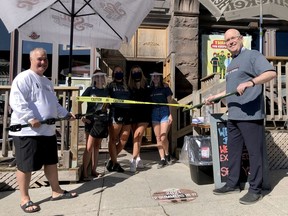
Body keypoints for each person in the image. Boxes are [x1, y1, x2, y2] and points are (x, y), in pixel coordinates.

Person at [205, 29, 276, 205]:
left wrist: (251, 82)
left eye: (233, 38)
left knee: (254, 154)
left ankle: (255, 190)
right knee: (233, 152)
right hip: (234, 114)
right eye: (227, 40)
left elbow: (271, 72)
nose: (230, 42)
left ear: (240, 39)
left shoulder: (253, 55)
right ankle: (232, 184)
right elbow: (232, 89)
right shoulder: (231, 64)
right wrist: (216, 96)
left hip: (250, 115)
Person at [9, 48, 78, 213]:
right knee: (25, 166)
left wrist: (66, 114)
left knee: (51, 162)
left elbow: (54, 104)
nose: (43, 62)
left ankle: (56, 191)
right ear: (31, 60)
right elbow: (16, 100)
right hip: (28, 132)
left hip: (47, 131)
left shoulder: (46, 81)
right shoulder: (24, 78)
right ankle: (24, 199)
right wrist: (29, 118)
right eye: (39, 59)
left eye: (45, 59)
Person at [81, 69, 109, 181]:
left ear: (104, 78)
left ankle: (93, 170)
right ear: (94, 79)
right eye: (96, 77)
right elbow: (78, 101)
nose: (99, 79)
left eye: (101, 76)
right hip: (90, 121)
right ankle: (84, 173)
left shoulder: (107, 91)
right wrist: (82, 117)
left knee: (97, 146)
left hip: (101, 121)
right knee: (89, 147)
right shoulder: (89, 90)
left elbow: (108, 105)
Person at [106, 65, 131, 172]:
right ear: (113, 74)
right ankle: (115, 163)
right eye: (116, 71)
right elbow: (106, 100)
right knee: (113, 139)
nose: (119, 73)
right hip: (116, 114)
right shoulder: (110, 86)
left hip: (127, 114)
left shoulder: (127, 86)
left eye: (120, 71)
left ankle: (111, 160)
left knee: (124, 139)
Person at [127, 65, 151, 172]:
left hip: (144, 115)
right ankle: (139, 158)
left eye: (138, 71)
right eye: (134, 72)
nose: (136, 73)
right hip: (133, 114)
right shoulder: (129, 87)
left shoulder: (146, 85)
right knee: (136, 137)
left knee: (138, 134)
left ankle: (133, 159)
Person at [150, 72, 173, 168]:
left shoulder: (165, 87)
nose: (155, 78)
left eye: (157, 76)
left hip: (164, 112)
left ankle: (167, 153)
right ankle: (162, 159)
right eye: (153, 76)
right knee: (158, 138)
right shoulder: (149, 89)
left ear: (160, 77)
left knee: (163, 137)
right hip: (154, 112)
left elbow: (170, 102)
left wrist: (170, 114)